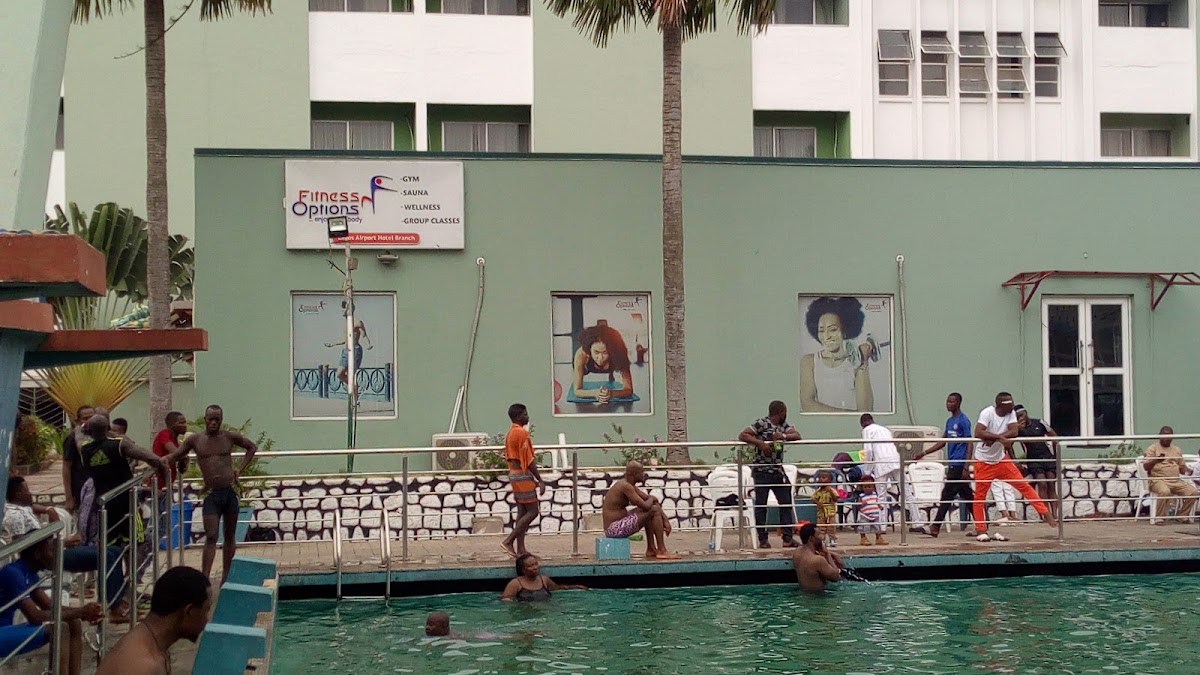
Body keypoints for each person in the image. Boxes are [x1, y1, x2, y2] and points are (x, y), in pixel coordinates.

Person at [5, 478, 129, 622]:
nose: (30, 493)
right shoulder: (14, 516)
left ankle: (116, 600)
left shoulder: (23, 508)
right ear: (18, 494)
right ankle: (113, 607)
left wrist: (48, 509)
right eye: (27, 490)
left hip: (54, 549)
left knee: (115, 551)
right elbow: (22, 546)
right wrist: (63, 542)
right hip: (51, 556)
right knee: (107, 556)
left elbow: (32, 507)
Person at [165, 405, 257, 583]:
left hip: (229, 492)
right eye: (210, 419)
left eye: (217, 419)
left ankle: (226, 577)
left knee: (229, 535)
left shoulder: (229, 437)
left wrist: (239, 469)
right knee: (212, 535)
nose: (213, 423)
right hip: (212, 494)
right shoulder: (195, 440)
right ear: (205, 419)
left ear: (221, 420)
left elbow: (251, 447)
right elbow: (175, 455)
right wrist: (158, 461)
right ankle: (205, 578)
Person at [0, 536, 102, 675]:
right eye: (52, 550)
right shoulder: (13, 573)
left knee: (73, 622)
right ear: (37, 554)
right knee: (59, 628)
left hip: (6, 629)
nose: (56, 555)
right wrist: (82, 612)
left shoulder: (28, 572)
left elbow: (48, 605)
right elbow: (34, 616)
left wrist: (84, 612)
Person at [96, 566, 212, 675]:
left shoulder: (154, 645)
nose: (207, 620)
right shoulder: (142, 666)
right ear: (189, 611)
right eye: (206, 610)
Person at [971, 392, 1056, 542]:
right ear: (1001, 405)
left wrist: (995, 438)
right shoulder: (987, 413)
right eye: (1010, 404)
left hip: (1001, 460)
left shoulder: (1010, 414)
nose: (1013, 406)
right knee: (979, 497)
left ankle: (1045, 512)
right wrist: (999, 438)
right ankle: (980, 528)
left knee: (1024, 486)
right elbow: (978, 432)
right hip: (983, 462)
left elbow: (1014, 431)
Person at [80, 415, 168, 547]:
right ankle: (132, 561)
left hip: (104, 502)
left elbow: (85, 434)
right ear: (108, 428)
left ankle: (117, 560)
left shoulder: (85, 449)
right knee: (137, 541)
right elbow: (149, 457)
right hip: (126, 500)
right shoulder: (119, 444)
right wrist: (164, 471)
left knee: (109, 544)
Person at [738, 401, 801, 549]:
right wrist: (760, 443)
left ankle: (787, 538)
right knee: (761, 505)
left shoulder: (783, 426)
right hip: (762, 471)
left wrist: (783, 436)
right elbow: (743, 435)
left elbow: (797, 435)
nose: (786, 415)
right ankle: (763, 540)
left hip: (777, 471)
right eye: (785, 412)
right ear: (780, 412)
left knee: (786, 503)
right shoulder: (762, 423)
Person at [799, 297, 878, 412]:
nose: (826, 336)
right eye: (821, 331)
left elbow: (866, 410)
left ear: (844, 331)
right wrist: (846, 415)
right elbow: (807, 404)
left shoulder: (857, 362)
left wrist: (864, 361)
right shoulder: (808, 361)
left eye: (833, 330)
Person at [920, 393, 975, 537]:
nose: (948, 404)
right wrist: (924, 452)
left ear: (958, 403)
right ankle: (982, 523)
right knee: (967, 495)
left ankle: (935, 526)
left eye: (952, 401)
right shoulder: (950, 421)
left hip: (959, 463)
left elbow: (970, 443)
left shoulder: (963, 421)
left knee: (947, 494)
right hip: (952, 462)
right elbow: (943, 441)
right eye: (947, 401)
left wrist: (966, 465)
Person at [601, 461, 680, 560]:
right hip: (614, 529)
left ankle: (651, 549)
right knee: (653, 510)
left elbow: (649, 501)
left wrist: (665, 519)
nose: (644, 474)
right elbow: (646, 505)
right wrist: (651, 498)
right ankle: (661, 550)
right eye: (641, 472)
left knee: (651, 510)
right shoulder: (625, 486)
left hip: (620, 523)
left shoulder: (629, 485)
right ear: (634, 474)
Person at [860, 414, 923, 532]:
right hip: (895, 460)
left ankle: (882, 526)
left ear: (863, 423)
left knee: (881, 496)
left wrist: (867, 471)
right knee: (907, 492)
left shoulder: (867, 430)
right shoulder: (884, 429)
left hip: (881, 463)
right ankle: (917, 522)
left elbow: (868, 451)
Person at [499, 404, 543, 558]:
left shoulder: (510, 432)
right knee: (533, 511)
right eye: (525, 414)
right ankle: (509, 540)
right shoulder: (521, 433)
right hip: (522, 475)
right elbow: (528, 459)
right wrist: (540, 479)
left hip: (514, 474)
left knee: (522, 511)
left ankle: (521, 549)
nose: (527, 417)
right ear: (518, 417)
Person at [1142, 426, 1199, 523]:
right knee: (1164, 491)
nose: (1166, 438)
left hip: (1175, 480)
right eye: (1164, 436)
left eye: (1169, 436)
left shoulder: (1177, 449)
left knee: (1193, 492)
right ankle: (1159, 517)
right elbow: (1145, 467)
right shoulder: (1153, 448)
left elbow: (1182, 469)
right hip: (1158, 480)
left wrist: (1187, 469)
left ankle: (1182, 515)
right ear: (1159, 436)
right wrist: (1156, 460)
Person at [571, 322, 634, 404]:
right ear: (589, 349)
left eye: (605, 352)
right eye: (596, 352)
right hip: (586, 366)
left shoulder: (619, 353)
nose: (600, 358)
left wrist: (611, 393)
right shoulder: (581, 354)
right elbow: (577, 391)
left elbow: (629, 389)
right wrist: (595, 393)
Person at [1015, 405, 1060, 521]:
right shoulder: (1018, 429)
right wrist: (1015, 460)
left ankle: (1055, 514)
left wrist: (1055, 456)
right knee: (1042, 484)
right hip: (1034, 459)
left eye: (1022, 415)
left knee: (1051, 484)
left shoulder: (1039, 422)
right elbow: (1009, 443)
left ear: (1026, 412)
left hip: (1047, 457)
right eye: (1018, 417)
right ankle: (1046, 514)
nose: (1021, 418)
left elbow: (1054, 437)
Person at [500, 554, 587, 601]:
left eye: (536, 564)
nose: (535, 567)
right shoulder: (516, 584)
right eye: (530, 566)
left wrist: (575, 587)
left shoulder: (544, 580)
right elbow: (505, 599)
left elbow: (557, 588)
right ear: (523, 569)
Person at [61, 404, 95, 512]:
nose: (89, 421)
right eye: (85, 418)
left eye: (92, 417)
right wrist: (68, 498)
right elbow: (66, 467)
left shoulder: (100, 435)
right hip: (80, 488)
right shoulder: (72, 438)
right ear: (78, 420)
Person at [792, 522, 844, 593]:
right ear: (811, 538)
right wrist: (828, 554)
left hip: (804, 593)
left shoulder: (797, 552)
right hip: (819, 596)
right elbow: (836, 577)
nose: (822, 537)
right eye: (819, 534)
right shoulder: (817, 560)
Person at [324, 319, 371, 396]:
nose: (343, 313)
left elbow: (363, 334)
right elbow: (344, 340)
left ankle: (355, 398)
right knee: (339, 373)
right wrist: (332, 344)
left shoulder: (357, 322)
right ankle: (355, 387)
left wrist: (368, 343)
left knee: (351, 374)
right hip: (346, 351)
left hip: (355, 349)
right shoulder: (346, 325)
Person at [811, 470, 839, 547]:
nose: (821, 480)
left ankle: (832, 539)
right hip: (821, 512)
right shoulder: (818, 491)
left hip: (830, 512)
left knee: (831, 526)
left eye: (823, 478)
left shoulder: (832, 490)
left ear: (830, 480)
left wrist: (830, 492)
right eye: (819, 478)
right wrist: (817, 502)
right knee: (821, 527)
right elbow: (813, 499)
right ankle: (822, 540)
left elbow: (836, 499)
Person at [855, 478, 886, 546]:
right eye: (865, 487)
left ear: (873, 487)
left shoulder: (875, 494)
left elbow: (876, 502)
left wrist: (880, 506)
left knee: (877, 527)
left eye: (869, 487)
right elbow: (858, 506)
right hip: (865, 515)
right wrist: (862, 504)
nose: (867, 489)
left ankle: (878, 538)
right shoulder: (861, 496)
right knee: (863, 527)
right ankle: (863, 538)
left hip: (875, 515)